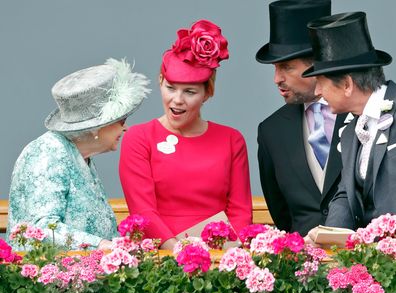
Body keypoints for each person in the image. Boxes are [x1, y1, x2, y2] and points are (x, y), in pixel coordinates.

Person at [119, 20, 252, 250]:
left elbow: (240, 211)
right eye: (170, 88)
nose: (177, 100)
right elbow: (143, 210)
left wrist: (229, 253)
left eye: (190, 92)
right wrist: (178, 252)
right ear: (160, 82)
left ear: (207, 93)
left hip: (221, 255)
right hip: (160, 257)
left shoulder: (231, 140)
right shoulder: (139, 138)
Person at [6, 58, 150, 250]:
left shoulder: (79, 154)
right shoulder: (47, 153)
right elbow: (40, 230)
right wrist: (102, 245)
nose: (126, 129)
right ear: (95, 127)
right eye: (121, 120)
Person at [302, 11, 396, 243]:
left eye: (320, 84)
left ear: (346, 84)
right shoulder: (351, 130)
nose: (316, 93)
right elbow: (346, 193)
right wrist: (327, 239)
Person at [256, 0, 347, 236]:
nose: (277, 79)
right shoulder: (271, 131)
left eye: (286, 67)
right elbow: (281, 214)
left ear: (317, 64)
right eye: (274, 68)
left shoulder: (360, 114)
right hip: (304, 267)